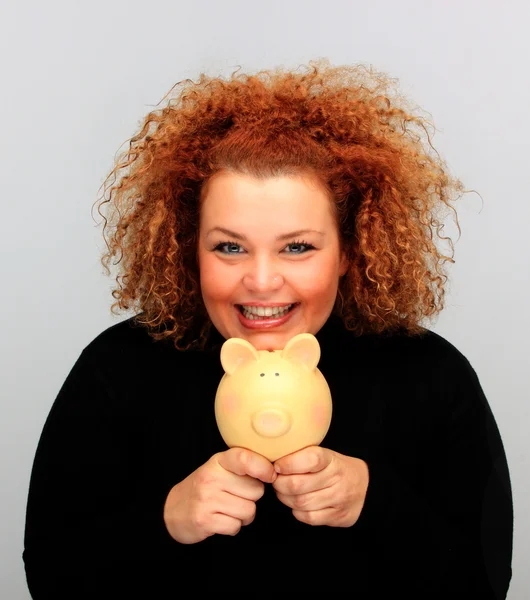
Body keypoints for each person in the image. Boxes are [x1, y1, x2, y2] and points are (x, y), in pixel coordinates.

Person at [23, 60, 513, 598]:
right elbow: (49, 573)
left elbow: (487, 582)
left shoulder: (432, 377)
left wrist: (377, 503)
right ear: (191, 248)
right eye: (229, 247)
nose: (260, 281)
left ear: (350, 250)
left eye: (297, 247)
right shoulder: (116, 370)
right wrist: (166, 520)